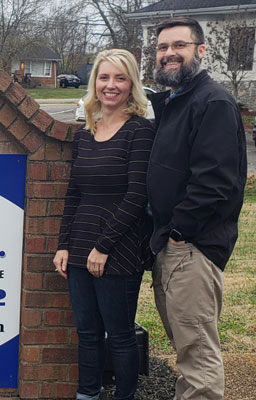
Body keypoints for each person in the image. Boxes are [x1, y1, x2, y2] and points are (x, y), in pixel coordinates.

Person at [147, 17, 247, 400]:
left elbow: (216, 181)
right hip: (173, 245)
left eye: (179, 45)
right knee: (186, 346)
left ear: (200, 50)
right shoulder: (175, 103)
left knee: (197, 354)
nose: (169, 53)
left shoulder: (213, 102)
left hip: (192, 247)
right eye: (162, 47)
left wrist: (178, 233)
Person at [53, 49, 154, 400]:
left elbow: (137, 196)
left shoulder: (140, 131)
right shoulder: (85, 133)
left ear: (131, 85)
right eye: (104, 77)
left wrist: (103, 247)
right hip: (80, 247)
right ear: (94, 82)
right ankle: (87, 394)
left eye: (120, 78)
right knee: (87, 332)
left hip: (120, 250)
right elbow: (74, 195)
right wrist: (64, 245)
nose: (111, 85)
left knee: (121, 334)